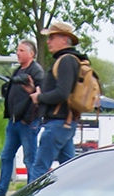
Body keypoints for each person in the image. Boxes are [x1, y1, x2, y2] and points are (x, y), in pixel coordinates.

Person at [0, 40, 45, 196]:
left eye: (22, 50)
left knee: (30, 159)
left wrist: (31, 116)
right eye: (17, 50)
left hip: (28, 121)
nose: (18, 53)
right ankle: (0, 192)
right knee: (6, 156)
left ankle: (31, 195)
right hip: (14, 121)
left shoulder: (36, 71)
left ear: (31, 53)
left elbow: (41, 95)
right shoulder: (18, 70)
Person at [27, 21, 86, 183]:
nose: (48, 41)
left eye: (52, 37)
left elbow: (62, 93)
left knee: (38, 169)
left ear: (64, 39)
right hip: (65, 123)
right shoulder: (70, 60)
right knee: (71, 173)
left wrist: (39, 97)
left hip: (58, 124)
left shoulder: (66, 60)